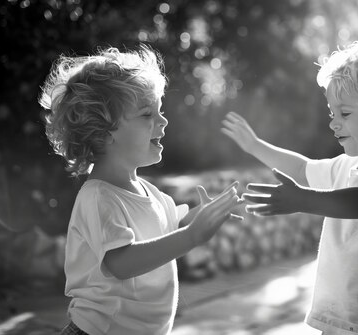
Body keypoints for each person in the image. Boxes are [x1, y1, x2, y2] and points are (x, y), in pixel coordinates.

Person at [222, 36, 358, 335]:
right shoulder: (348, 165)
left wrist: (304, 201)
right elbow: (302, 169)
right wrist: (255, 146)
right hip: (341, 318)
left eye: (345, 113)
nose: (333, 123)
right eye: (332, 113)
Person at [38, 45, 242, 335]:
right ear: (104, 131)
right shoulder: (98, 197)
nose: (163, 121)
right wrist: (193, 235)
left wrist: (205, 214)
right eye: (148, 114)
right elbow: (122, 262)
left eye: (160, 111)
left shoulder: (150, 192)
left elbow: (169, 227)